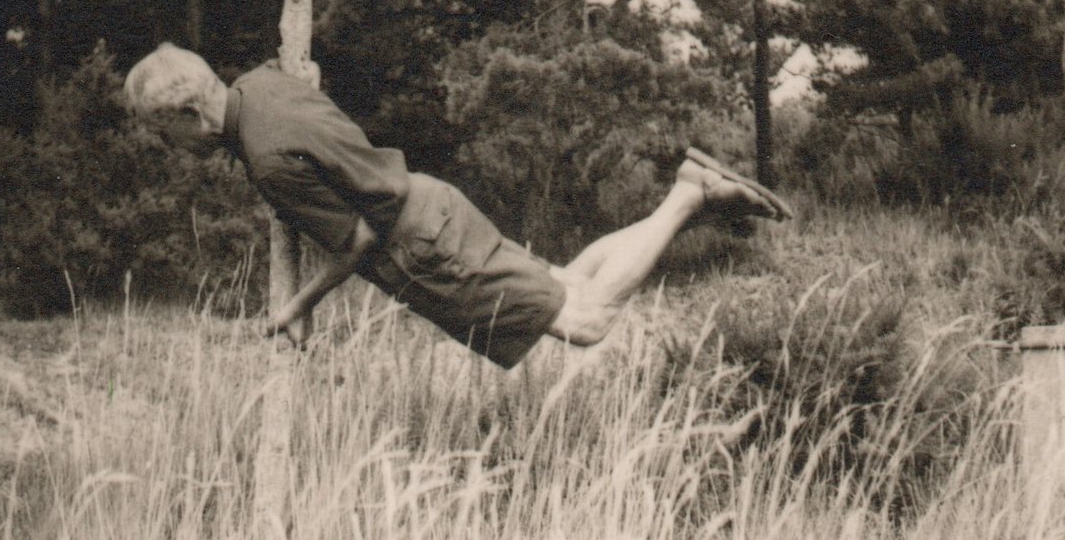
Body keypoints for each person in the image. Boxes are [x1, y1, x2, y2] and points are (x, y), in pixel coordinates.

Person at [124, 42, 791, 368]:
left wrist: (299, 305)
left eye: (168, 133)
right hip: (434, 203)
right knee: (570, 281)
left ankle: (686, 195)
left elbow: (355, 241)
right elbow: (308, 94)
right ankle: (691, 190)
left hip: (423, 250)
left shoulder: (267, 160)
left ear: (188, 111)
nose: (176, 146)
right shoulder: (264, 82)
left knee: (587, 321)